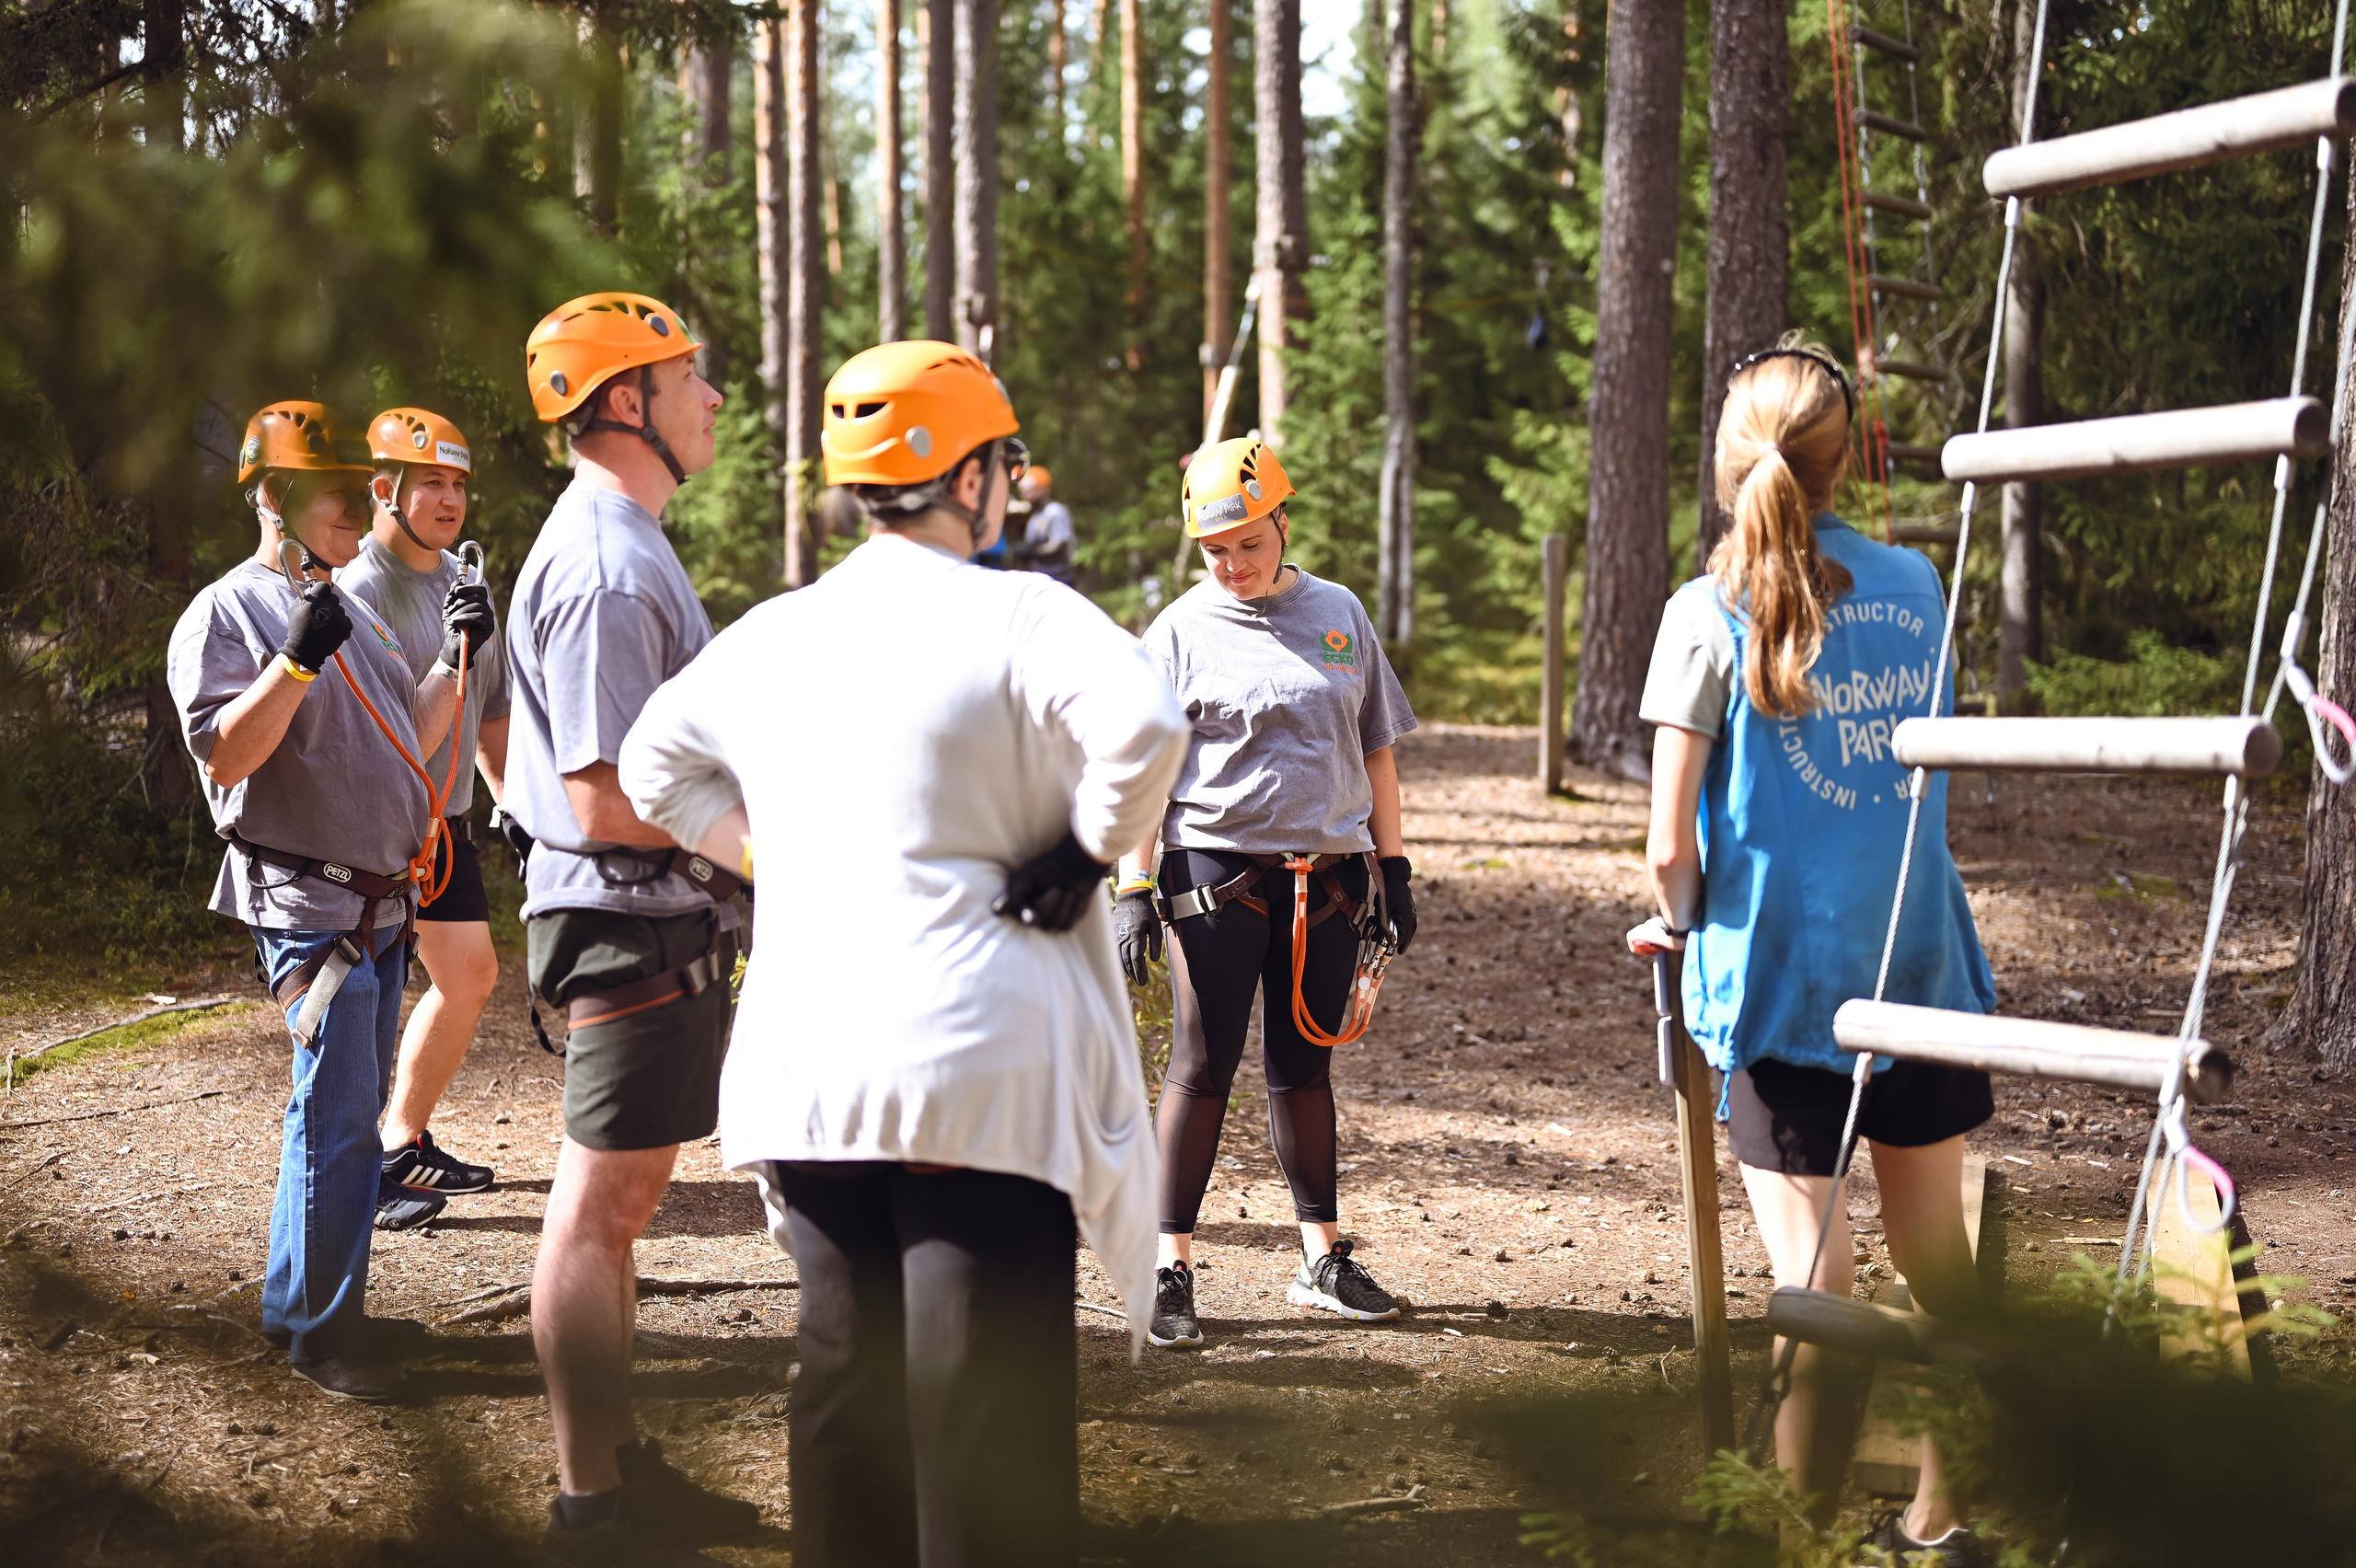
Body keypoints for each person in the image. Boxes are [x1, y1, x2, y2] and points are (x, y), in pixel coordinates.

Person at [618, 340, 1188, 1568]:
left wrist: (772, 859)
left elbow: (650, 765)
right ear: (967, 476)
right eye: (1002, 464)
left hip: (810, 1065)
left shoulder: (777, 631)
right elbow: (1146, 722)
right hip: (975, 1064)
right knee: (983, 1405)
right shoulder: (1023, 612)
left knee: (848, 1378)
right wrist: (1086, 850)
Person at [1625, 339, 1995, 1564]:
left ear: (1729, 462)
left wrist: (1681, 924)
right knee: (1942, 1269)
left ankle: (1800, 1540)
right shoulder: (1918, 585)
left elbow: (1666, 844)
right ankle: (1940, 1521)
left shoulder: (1704, 612)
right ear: (1843, 462)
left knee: (1816, 1283)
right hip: (1916, 966)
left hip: (1782, 990)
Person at [167, 401, 495, 1401]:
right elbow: (226, 756)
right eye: (335, 495)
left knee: (340, 1116)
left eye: (362, 492)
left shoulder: (343, 604)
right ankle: (322, 1331)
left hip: (379, 906)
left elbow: (411, 735)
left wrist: (453, 655)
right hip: (313, 910)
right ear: (272, 497)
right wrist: (295, 660)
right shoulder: (227, 613)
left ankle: (304, 1307)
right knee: (339, 1121)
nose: (359, 509)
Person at [507, 293, 759, 1566]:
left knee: (622, 1204)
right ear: (626, 400)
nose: (711, 396)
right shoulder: (606, 565)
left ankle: (612, 1471)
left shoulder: (628, 541)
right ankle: (590, 1508)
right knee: (596, 1211)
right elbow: (605, 797)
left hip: (644, 916)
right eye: (687, 375)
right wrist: (771, 851)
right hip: (622, 918)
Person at [1113, 436, 1421, 1353]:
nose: (1233, 564)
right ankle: (1168, 1268)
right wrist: (1133, 886)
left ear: (1283, 521)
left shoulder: (1339, 613)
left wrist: (1394, 868)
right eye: (1215, 550)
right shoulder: (1177, 632)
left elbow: (1375, 749)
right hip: (1215, 878)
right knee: (1202, 1068)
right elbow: (1142, 774)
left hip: (1330, 881)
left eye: (1249, 542)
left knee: (1304, 1067)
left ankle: (1321, 1259)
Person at [336, 407, 510, 1231]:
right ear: (384, 491)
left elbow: (490, 710)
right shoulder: (357, 592)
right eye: (430, 483)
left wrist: (513, 806)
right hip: (378, 835)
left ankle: (399, 1142)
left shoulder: (463, 582)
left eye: (458, 485)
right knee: (363, 1006)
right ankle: (361, 1170)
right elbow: (389, 737)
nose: (449, 500)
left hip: (446, 832)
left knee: (469, 977)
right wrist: (445, 652)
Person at [1016, 464, 1075, 584]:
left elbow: (1059, 545)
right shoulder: (1036, 516)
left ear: (1045, 489)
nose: (1027, 496)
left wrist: (1033, 552)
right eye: (1025, 493)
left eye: (1032, 492)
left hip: (1058, 578)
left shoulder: (1055, 511)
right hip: (1040, 577)